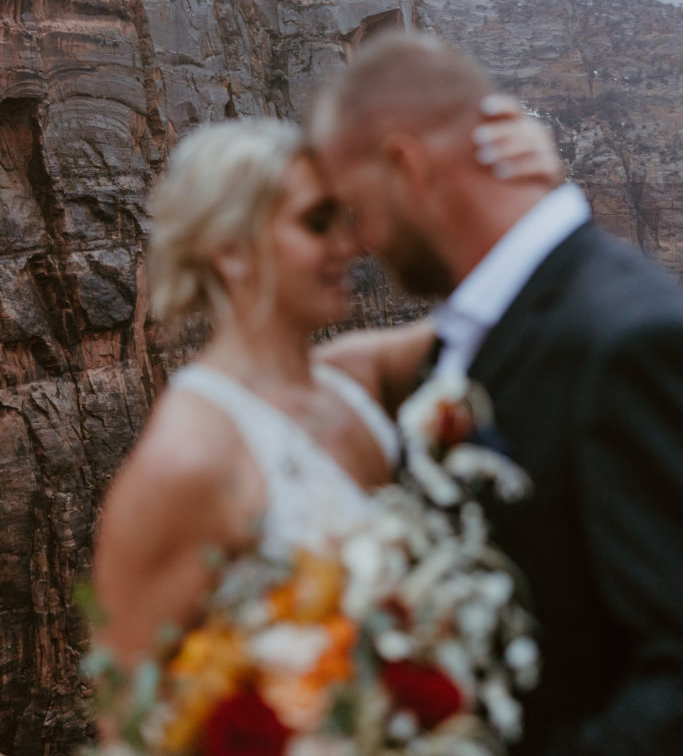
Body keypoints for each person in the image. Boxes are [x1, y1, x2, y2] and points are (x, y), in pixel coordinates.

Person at [309, 29, 683, 756]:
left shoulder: (627, 340)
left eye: (354, 209)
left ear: (405, 164)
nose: (356, 244)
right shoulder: (468, 339)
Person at [94, 106, 559, 669]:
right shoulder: (186, 463)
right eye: (317, 224)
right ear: (231, 250)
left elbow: (508, 309)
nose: (351, 244)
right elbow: (128, 715)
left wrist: (527, 193)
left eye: (345, 218)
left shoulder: (359, 376)